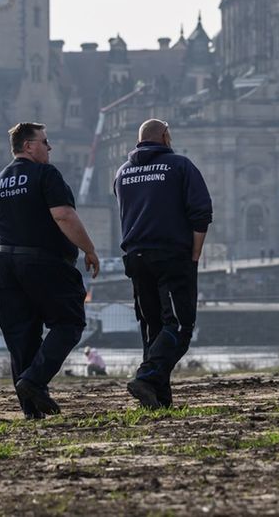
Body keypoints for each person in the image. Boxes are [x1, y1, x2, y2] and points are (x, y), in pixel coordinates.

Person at [0, 122, 101, 419]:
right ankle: (34, 381)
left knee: (22, 336)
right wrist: (89, 249)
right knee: (68, 322)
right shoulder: (45, 174)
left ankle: (30, 409)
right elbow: (63, 215)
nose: (49, 147)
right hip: (43, 261)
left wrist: (7, 262)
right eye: (44, 142)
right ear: (28, 146)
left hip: (3, 262)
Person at [113, 118, 213, 408]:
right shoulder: (180, 166)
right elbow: (201, 212)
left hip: (135, 257)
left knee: (152, 326)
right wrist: (195, 254)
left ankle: (158, 397)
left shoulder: (122, 172)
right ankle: (147, 376)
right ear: (166, 136)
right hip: (171, 255)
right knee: (180, 325)